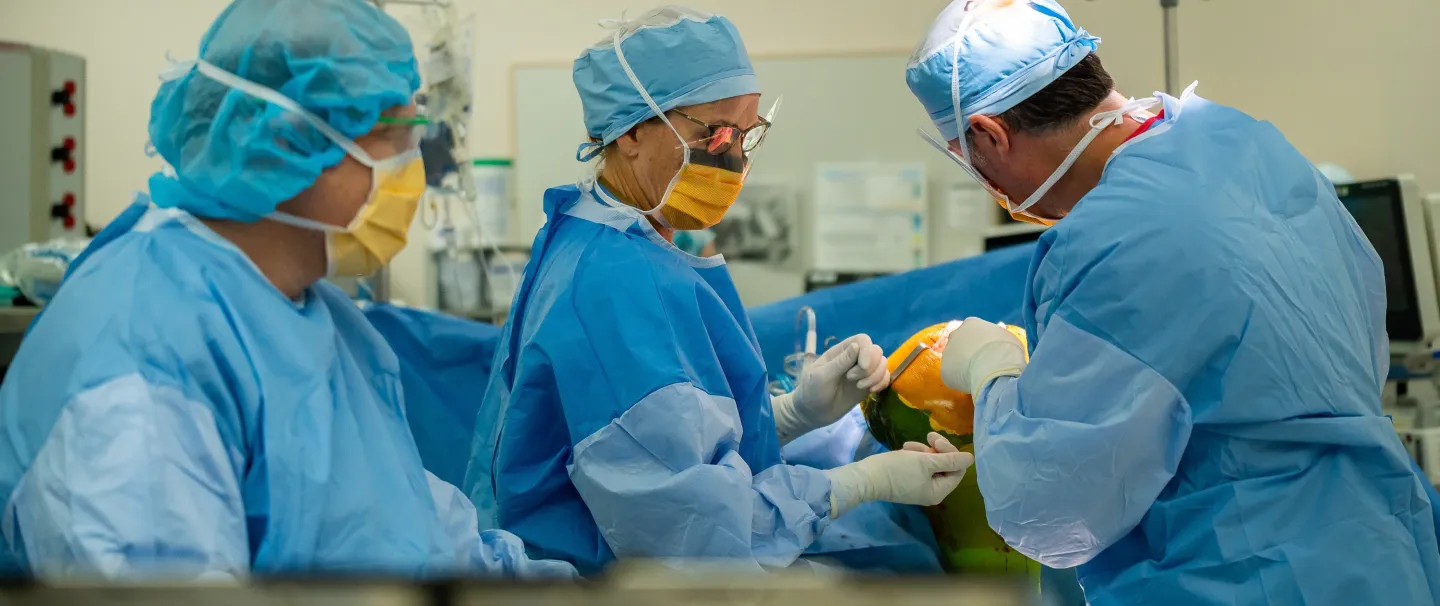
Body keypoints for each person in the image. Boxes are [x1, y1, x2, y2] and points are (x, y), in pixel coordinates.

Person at [0, 0, 574, 581]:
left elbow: (416, 530)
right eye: (387, 134)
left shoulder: (316, 312)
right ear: (284, 141)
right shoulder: (141, 354)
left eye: (413, 132)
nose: (411, 163)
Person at [906, 1, 1440, 604]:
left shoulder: (1115, 239)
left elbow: (1052, 509)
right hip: (1381, 553)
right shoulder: (1247, 144)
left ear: (988, 134)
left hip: (1240, 575)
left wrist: (994, 372)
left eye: (968, 159)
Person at [464, 6, 973, 576]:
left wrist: (791, 414)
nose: (735, 158)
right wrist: (862, 482)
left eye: (749, 133)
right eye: (718, 133)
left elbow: (672, 447)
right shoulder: (614, 287)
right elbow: (696, 538)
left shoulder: (604, 236)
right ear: (632, 131)